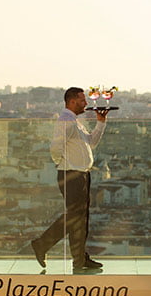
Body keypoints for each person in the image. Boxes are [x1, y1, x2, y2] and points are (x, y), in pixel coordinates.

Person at [31, 87, 110, 272]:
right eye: (82, 100)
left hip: (80, 174)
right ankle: (42, 244)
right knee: (75, 217)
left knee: (80, 219)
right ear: (72, 101)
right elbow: (55, 147)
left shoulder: (75, 122)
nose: (86, 103)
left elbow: (91, 143)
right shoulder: (66, 121)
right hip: (71, 174)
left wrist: (101, 123)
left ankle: (80, 260)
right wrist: (63, 163)